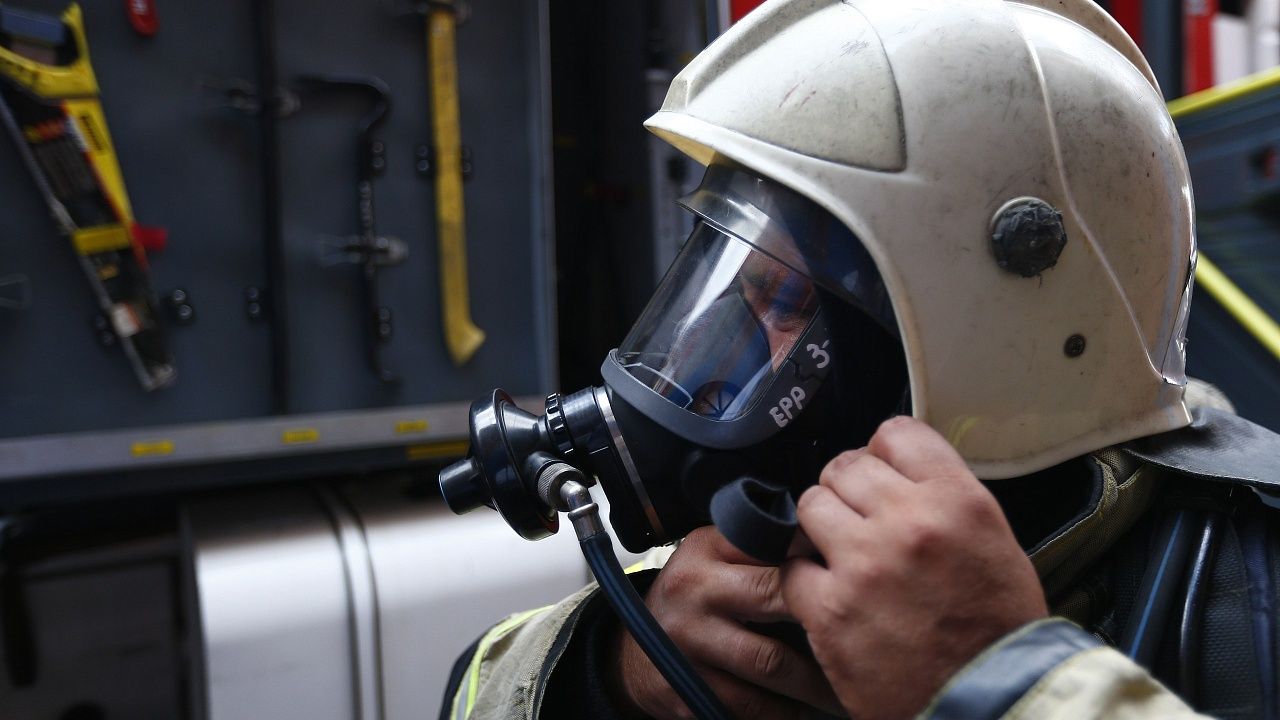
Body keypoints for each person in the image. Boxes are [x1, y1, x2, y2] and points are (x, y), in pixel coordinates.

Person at [441, 0, 1280, 718]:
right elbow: (471, 688)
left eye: (785, 303)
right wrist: (610, 670)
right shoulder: (774, 542)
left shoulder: (1251, 594)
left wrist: (997, 681)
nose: (725, 358)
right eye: (735, 289)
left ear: (974, 342)